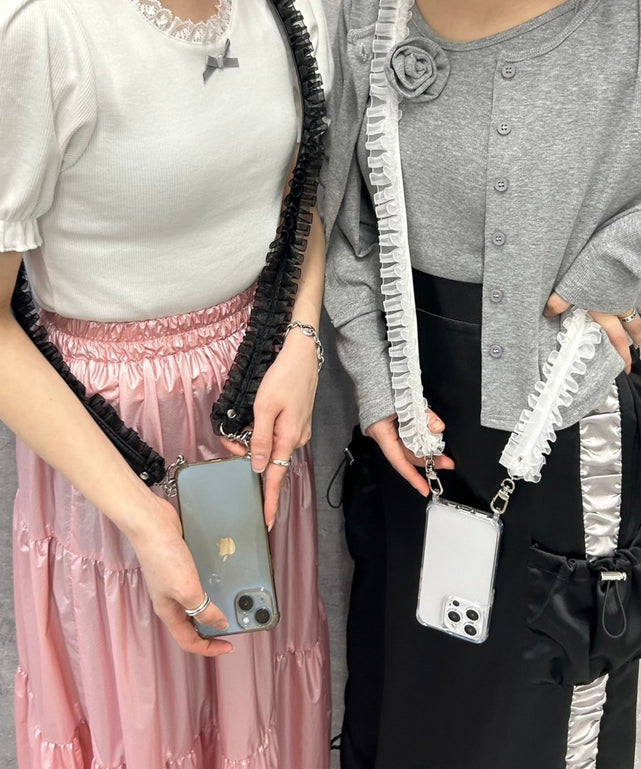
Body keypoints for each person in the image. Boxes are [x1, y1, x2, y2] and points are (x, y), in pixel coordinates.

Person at [0, 0, 333, 766]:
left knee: (260, 695)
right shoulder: (44, 30)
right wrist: (144, 520)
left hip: (259, 412)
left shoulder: (291, 10)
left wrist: (302, 339)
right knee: (144, 714)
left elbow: (297, 195)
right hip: (108, 446)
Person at [323, 1, 641, 767]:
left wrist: (618, 268)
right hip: (408, 433)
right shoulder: (371, 15)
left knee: (540, 712)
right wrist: (374, 378)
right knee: (402, 699)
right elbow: (342, 216)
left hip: (564, 424)